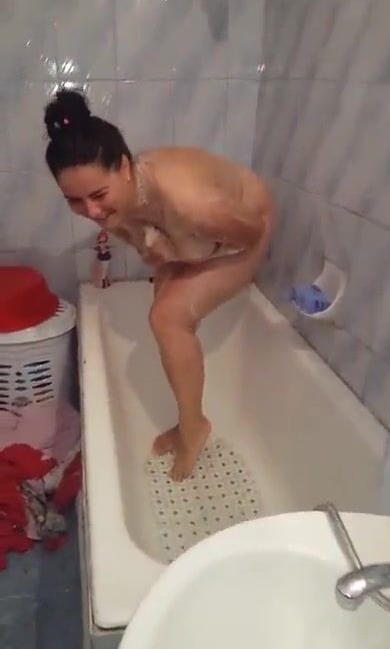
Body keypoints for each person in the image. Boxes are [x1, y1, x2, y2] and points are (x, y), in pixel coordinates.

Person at [44, 89, 274, 481]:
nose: (91, 211)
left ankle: (194, 427)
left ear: (124, 167)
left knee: (168, 318)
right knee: (162, 307)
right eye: (75, 201)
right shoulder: (120, 198)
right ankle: (188, 419)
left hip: (246, 226)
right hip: (195, 233)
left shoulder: (189, 203)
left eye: (98, 195)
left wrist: (186, 245)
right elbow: (143, 237)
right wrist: (164, 248)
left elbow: (250, 234)